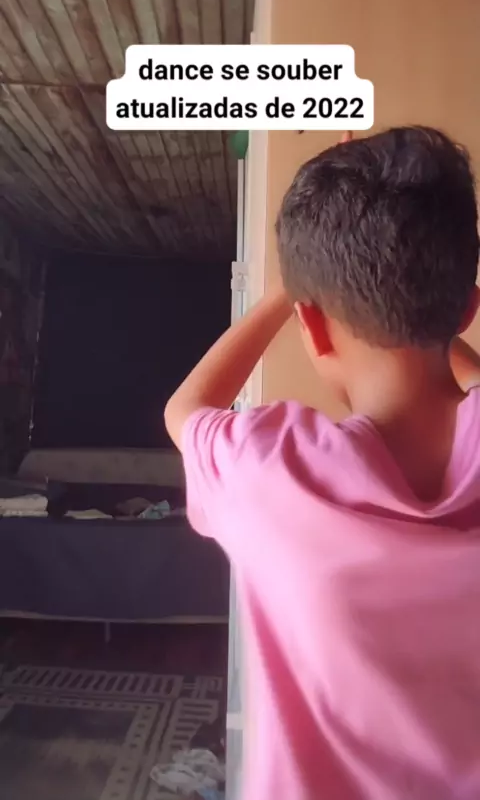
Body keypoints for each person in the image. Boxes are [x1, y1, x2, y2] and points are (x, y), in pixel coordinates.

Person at [165, 127, 480, 800]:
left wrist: (291, 287)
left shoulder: (270, 474)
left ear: (309, 326)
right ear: (467, 311)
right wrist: (429, 315)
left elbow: (185, 409)